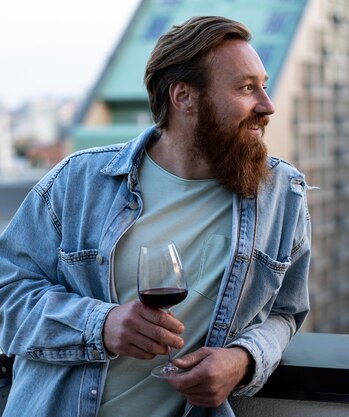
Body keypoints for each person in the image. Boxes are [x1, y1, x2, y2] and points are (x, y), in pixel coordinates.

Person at [0, 16, 311, 417]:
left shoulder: (281, 194)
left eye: (263, 86)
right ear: (184, 97)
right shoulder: (77, 181)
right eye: (246, 88)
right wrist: (101, 325)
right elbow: (7, 292)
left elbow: (286, 312)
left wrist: (244, 359)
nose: (267, 106)